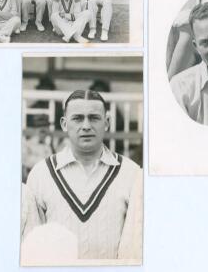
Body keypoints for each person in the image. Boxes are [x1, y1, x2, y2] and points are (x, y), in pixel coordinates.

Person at [25, 90, 142, 260]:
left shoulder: (131, 173)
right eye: (78, 118)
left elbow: (134, 248)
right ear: (64, 124)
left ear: (107, 122)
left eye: (94, 118)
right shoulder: (41, 174)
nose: (86, 125)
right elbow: (34, 249)